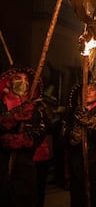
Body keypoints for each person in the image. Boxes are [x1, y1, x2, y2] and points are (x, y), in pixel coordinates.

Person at [61, 79, 96, 207]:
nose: (88, 92)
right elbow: (63, 137)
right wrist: (74, 135)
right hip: (79, 169)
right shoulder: (72, 113)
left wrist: (95, 126)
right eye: (85, 89)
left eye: (92, 89)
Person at [0, 67, 47, 207]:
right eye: (18, 78)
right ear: (8, 82)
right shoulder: (1, 104)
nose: (23, 82)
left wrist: (25, 140)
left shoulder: (36, 106)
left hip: (27, 162)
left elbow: (41, 129)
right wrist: (14, 116)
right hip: (2, 161)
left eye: (26, 80)